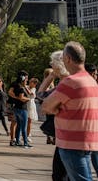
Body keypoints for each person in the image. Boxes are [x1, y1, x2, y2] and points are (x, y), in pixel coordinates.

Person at [42, 41, 98, 181]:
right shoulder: (91, 81)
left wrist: (57, 109)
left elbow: (46, 107)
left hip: (71, 142)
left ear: (67, 59)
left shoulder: (70, 82)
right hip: (89, 140)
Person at [8, 70, 32, 148]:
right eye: (26, 78)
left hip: (17, 107)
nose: (27, 80)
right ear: (23, 78)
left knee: (18, 125)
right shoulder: (17, 85)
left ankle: (17, 141)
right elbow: (10, 93)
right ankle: (23, 142)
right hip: (19, 107)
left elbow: (29, 94)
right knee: (20, 125)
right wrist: (21, 98)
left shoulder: (22, 86)